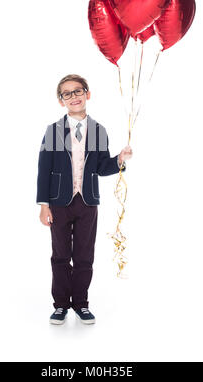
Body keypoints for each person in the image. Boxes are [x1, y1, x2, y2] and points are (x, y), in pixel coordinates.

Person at [36, 74, 133, 325]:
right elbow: (44, 169)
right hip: (58, 201)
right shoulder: (53, 130)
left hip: (87, 201)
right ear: (61, 101)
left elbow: (101, 166)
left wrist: (119, 160)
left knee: (84, 255)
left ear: (87, 94)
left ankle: (80, 303)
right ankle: (60, 305)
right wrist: (44, 204)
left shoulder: (99, 130)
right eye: (66, 94)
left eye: (78, 91)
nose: (73, 97)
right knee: (60, 254)